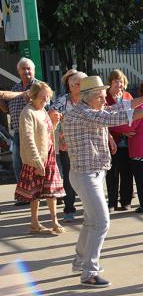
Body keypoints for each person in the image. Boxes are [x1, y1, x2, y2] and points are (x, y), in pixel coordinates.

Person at [62, 76, 143, 288]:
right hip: (86, 176)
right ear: (89, 97)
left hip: (90, 174)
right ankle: (89, 272)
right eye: (101, 97)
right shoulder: (85, 113)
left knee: (91, 221)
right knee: (101, 222)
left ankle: (80, 262)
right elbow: (121, 116)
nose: (105, 100)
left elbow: (123, 106)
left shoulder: (88, 108)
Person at [14, 82, 65, 235]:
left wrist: (55, 123)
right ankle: (34, 223)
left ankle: (54, 221)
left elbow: (47, 132)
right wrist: (37, 161)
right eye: (43, 97)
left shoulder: (43, 110)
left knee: (51, 190)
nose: (46, 100)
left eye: (48, 97)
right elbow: (28, 139)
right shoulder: (27, 112)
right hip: (35, 157)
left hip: (49, 154)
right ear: (34, 96)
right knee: (34, 192)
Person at [111, 81, 143, 213]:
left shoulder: (140, 109)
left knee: (142, 178)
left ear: (141, 93)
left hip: (141, 146)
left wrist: (113, 127)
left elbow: (130, 126)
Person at [49, 70, 88, 222]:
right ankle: (69, 209)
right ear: (70, 86)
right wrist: (60, 129)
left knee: (88, 178)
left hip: (88, 145)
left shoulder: (89, 98)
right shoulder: (62, 101)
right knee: (70, 177)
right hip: (68, 145)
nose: (81, 87)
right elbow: (50, 116)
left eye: (83, 83)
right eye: (78, 84)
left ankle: (89, 209)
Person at [0, 57, 39, 204]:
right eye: (23, 69)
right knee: (18, 164)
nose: (26, 71)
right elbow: (7, 109)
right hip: (18, 133)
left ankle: (45, 193)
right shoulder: (15, 88)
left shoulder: (38, 86)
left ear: (34, 70)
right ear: (19, 72)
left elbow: (44, 106)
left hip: (35, 133)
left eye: (29, 68)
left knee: (38, 163)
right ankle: (24, 195)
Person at [105, 69, 134, 212]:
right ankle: (112, 202)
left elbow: (134, 115)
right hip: (112, 141)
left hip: (129, 142)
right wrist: (121, 131)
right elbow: (104, 120)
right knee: (112, 173)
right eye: (116, 81)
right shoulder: (104, 97)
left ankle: (126, 201)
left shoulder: (128, 96)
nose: (119, 84)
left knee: (127, 173)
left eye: (121, 81)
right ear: (110, 83)